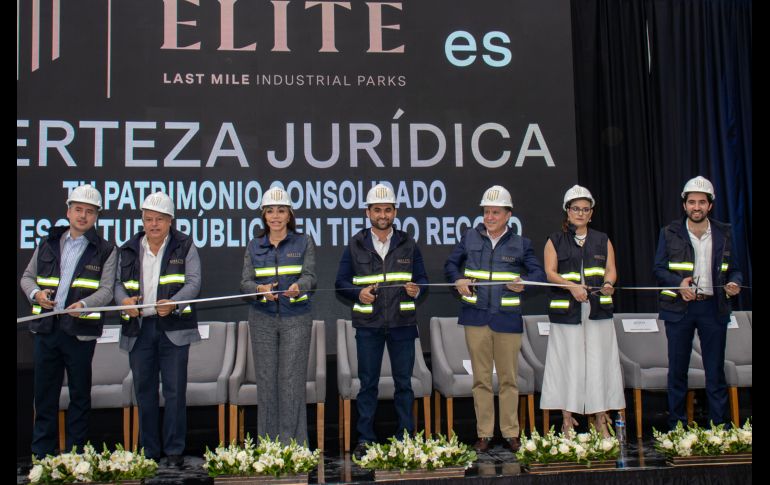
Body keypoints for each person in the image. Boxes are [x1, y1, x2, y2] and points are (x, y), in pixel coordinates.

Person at [444, 185, 545, 453]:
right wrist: (458, 280)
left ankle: (511, 432)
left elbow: (539, 274)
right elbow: (450, 266)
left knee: (509, 379)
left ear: (508, 215)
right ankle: (485, 434)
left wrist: (525, 283)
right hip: (476, 318)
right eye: (486, 212)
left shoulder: (522, 244)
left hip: (507, 319)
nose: (489, 217)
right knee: (481, 379)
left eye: (495, 212)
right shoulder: (469, 238)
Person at [20, 184, 117, 458]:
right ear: (68, 211)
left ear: (96, 216)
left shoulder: (105, 249)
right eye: (78, 210)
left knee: (79, 398)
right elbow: (26, 277)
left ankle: (76, 457)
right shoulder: (49, 243)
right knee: (45, 398)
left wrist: (85, 305)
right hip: (46, 330)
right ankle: (43, 457)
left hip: (80, 332)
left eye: (89, 211)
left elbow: (107, 290)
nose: (83, 216)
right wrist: (36, 294)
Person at [335, 183, 428, 458]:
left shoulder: (408, 243)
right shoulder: (355, 244)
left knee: (404, 384)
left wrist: (417, 289)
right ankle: (365, 439)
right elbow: (340, 283)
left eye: (388, 209)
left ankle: (406, 438)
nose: (383, 214)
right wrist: (357, 293)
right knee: (368, 385)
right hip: (369, 326)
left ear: (395, 212)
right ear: (368, 212)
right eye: (377, 209)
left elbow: (423, 280)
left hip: (402, 323)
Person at [114, 191, 201, 467]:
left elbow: (194, 283)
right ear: (142, 219)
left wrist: (174, 304)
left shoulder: (184, 245)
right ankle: (149, 451)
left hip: (172, 328)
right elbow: (116, 284)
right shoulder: (127, 248)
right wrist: (122, 301)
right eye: (149, 219)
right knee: (145, 391)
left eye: (160, 219)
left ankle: (174, 452)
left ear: (170, 221)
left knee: (175, 391)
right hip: (139, 330)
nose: (153, 224)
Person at [654, 176, 742, 429]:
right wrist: (678, 285)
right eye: (691, 202)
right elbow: (659, 269)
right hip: (679, 309)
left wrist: (734, 282)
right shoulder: (669, 232)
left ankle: (720, 428)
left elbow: (735, 269)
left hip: (713, 308)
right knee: (678, 371)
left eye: (701, 202)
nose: (696, 207)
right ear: (684, 205)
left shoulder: (724, 232)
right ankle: (677, 427)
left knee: (715, 371)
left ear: (709, 205)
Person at [539, 185, 625, 438]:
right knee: (568, 364)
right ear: (567, 211)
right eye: (575, 208)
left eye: (585, 209)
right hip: (567, 314)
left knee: (601, 363)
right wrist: (571, 287)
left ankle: (600, 418)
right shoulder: (554, 240)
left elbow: (611, 270)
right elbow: (550, 272)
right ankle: (567, 420)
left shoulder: (602, 239)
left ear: (591, 213)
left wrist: (609, 284)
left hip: (598, 312)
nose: (580, 213)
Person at [239, 186, 317, 445]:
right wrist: (259, 290)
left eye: (280, 211)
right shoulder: (254, 245)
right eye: (270, 211)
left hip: (296, 318)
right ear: (263, 215)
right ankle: (269, 446)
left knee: (292, 382)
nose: (275, 216)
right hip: (261, 319)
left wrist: (299, 287)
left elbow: (310, 277)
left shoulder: (303, 241)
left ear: (289, 214)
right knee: (267, 382)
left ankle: (293, 446)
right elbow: (245, 284)